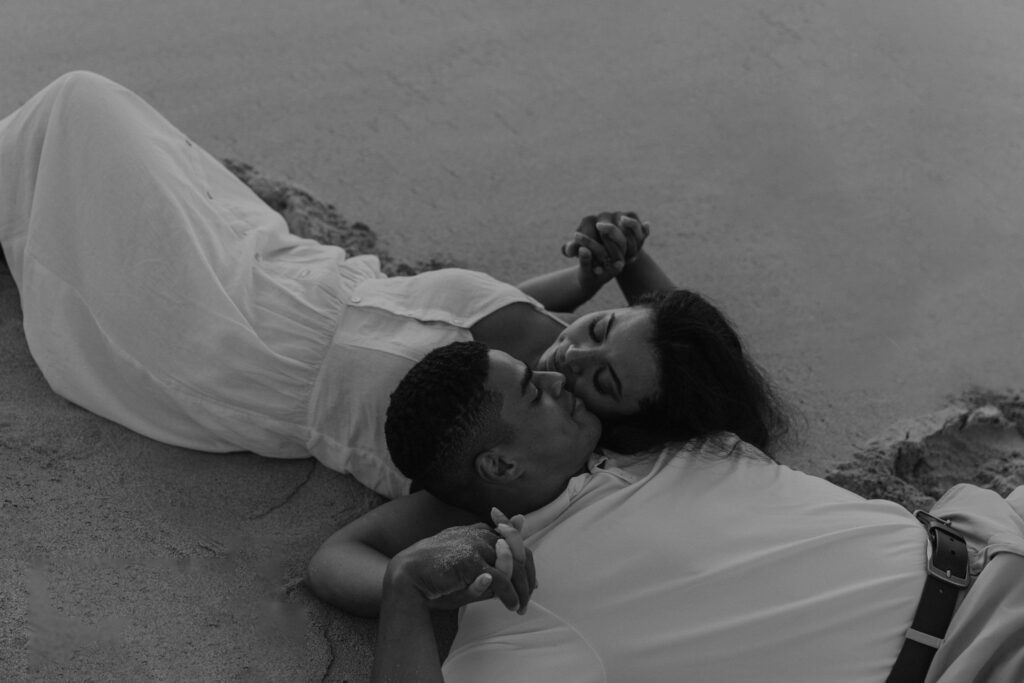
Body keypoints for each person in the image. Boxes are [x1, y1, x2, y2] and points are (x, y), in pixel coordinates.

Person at [0, 71, 786, 499]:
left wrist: (609, 288)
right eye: (596, 333)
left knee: (79, 108)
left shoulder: (529, 430)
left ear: (623, 425)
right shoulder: (533, 354)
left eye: (600, 380)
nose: (572, 359)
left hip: (247, 338)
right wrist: (597, 275)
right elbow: (489, 309)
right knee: (89, 124)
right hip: (289, 273)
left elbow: (672, 370)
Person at [357, 341, 1024, 682]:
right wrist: (406, 588)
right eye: (537, 391)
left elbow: (692, 348)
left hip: (987, 531)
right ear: (500, 465)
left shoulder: (642, 441)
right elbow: (346, 553)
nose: (561, 377)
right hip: (973, 654)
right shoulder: (519, 601)